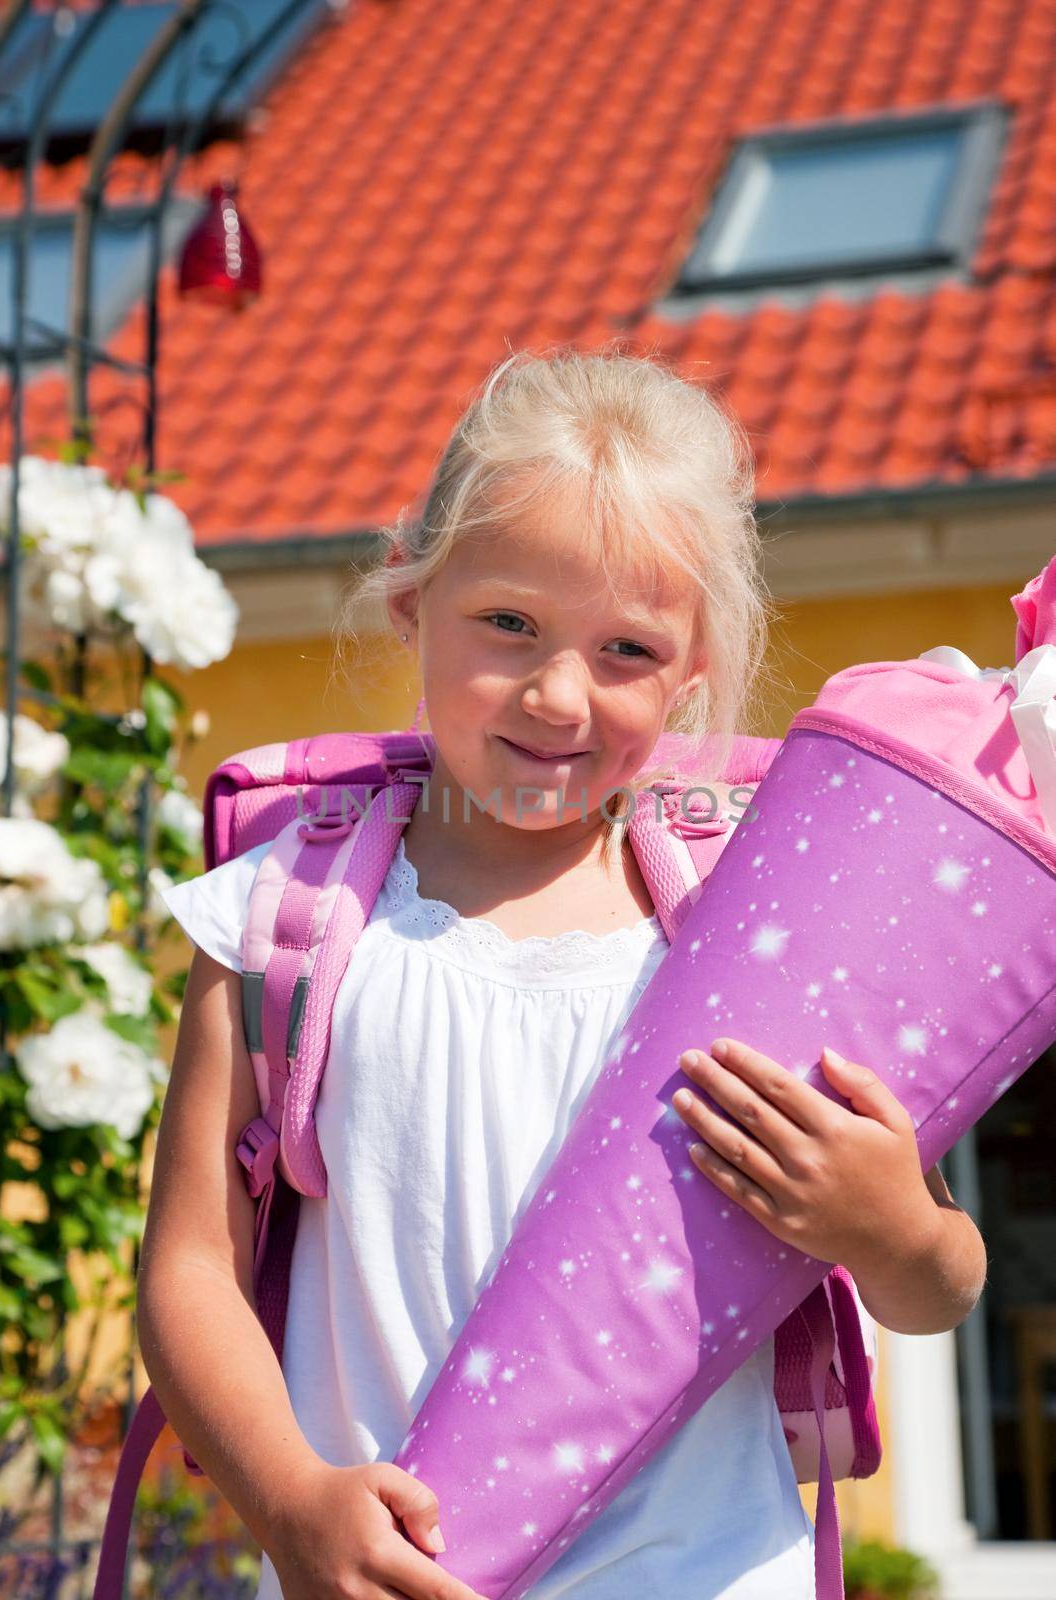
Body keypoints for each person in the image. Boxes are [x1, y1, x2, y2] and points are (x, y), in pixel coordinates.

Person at [140, 349, 983, 1600]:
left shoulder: (744, 933)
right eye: (507, 624)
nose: (554, 693)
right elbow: (188, 1268)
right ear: (409, 606)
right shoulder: (282, 922)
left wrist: (890, 1223)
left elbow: (938, 1285)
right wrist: (289, 1499)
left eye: (625, 649)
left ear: (690, 673)